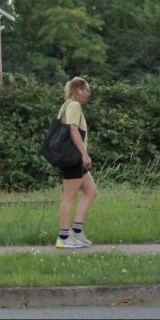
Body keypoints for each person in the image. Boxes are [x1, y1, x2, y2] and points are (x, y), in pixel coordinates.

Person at [55, 76, 97, 249]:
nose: (89, 94)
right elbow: (73, 130)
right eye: (87, 90)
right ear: (79, 90)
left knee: (91, 191)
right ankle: (63, 237)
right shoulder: (74, 105)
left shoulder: (67, 104)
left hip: (74, 158)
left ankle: (77, 232)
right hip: (73, 158)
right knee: (69, 197)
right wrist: (84, 154)